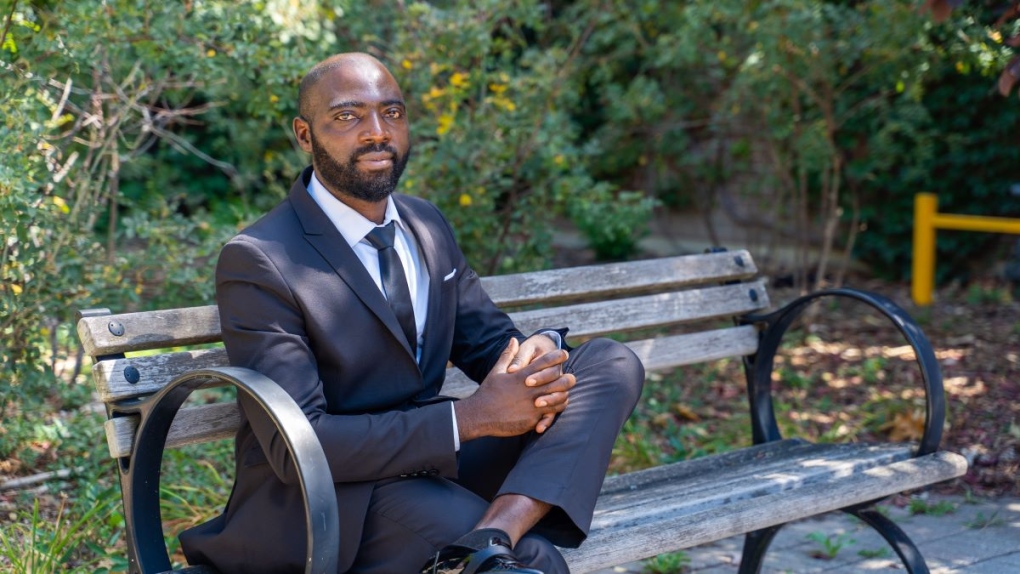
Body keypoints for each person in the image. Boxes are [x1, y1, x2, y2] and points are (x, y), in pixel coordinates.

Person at [179, 52, 644, 574]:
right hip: (333, 499)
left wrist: (536, 356)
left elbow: (489, 344)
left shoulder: (425, 223)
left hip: (432, 469)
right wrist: (471, 417)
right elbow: (299, 444)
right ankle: (494, 550)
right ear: (305, 136)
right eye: (348, 116)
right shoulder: (261, 258)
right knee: (530, 562)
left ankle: (493, 533)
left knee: (609, 363)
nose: (377, 132)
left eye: (392, 113)